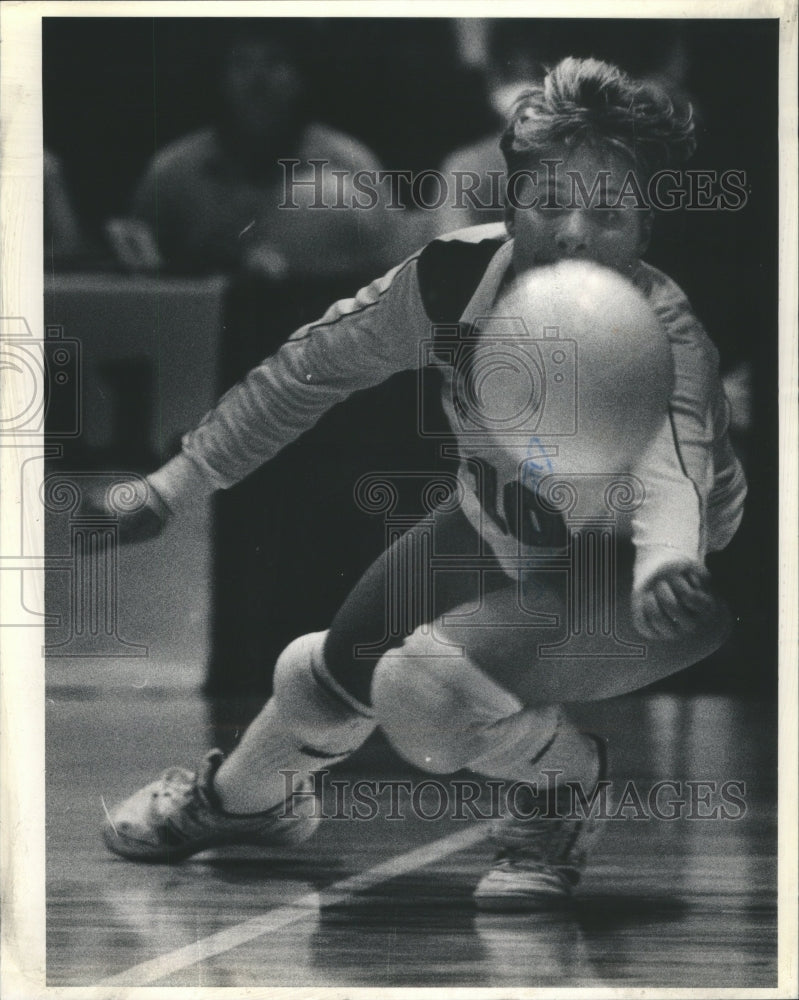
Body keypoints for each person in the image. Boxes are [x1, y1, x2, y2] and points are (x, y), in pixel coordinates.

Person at [101, 58, 746, 911]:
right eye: (549, 203)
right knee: (322, 680)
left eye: (609, 211)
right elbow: (305, 373)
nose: (576, 233)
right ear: (509, 205)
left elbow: (677, 461)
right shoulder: (448, 280)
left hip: (639, 570)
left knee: (422, 691)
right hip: (496, 522)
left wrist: (667, 559)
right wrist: (174, 483)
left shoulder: (665, 334)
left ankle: (562, 784)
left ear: (647, 225)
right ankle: (247, 806)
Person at [113, 27, 396, 278]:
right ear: (222, 78)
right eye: (242, 62)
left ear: (301, 77)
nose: (257, 79)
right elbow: (141, 271)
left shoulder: (351, 164)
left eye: (275, 61)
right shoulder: (173, 171)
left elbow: (390, 271)